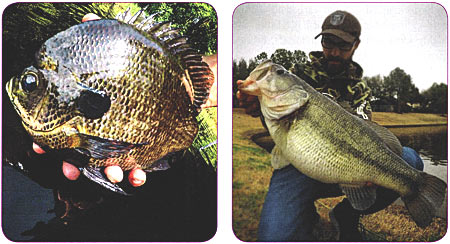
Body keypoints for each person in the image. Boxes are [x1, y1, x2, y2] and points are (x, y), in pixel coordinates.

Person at [237, 10, 424, 241]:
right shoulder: (299, 75)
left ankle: (346, 214)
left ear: (356, 45)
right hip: (296, 168)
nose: (334, 51)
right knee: (273, 237)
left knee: (410, 161)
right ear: (321, 40)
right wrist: (258, 110)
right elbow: (279, 130)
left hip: (346, 166)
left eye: (343, 45)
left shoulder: (361, 90)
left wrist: (366, 173)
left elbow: (367, 133)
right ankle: (304, 213)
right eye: (328, 42)